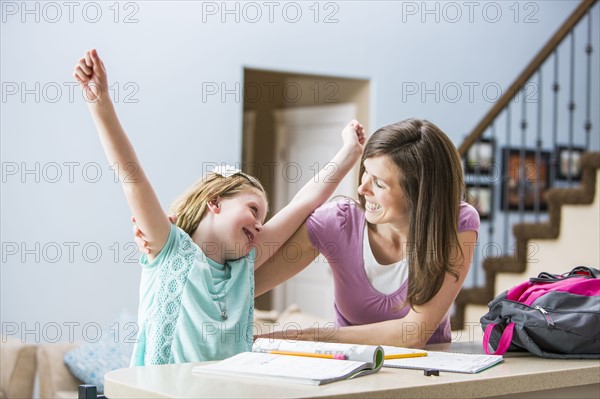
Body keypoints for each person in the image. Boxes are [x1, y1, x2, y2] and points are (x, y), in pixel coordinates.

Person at [73, 49, 365, 366]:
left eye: (263, 219)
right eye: (253, 210)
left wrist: (349, 152)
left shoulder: (243, 269)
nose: (259, 225)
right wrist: (99, 104)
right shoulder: (170, 249)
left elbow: (304, 201)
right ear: (214, 202)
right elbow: (131, 176)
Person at [253, 119, 480, 348]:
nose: (362, 189)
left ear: (419, 194)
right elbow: (246, 283)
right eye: (366, 173)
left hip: (427, 372)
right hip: (350, 371)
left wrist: (312, 336)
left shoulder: (457, 223)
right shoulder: (338, 223)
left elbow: (414, 333)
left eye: (379, 183)